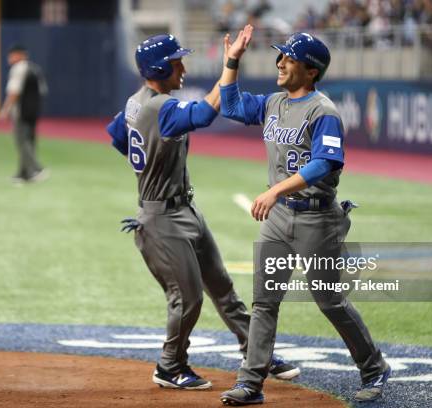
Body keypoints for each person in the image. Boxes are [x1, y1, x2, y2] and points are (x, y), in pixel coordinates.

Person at [106, 31, 299, 390]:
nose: (183, 67)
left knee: (222, 287)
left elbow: (119, 136)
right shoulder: (158, 107)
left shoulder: (136, 103)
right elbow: (207, 111)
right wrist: (231, 63)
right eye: (177, 61)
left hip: (183, 209)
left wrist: (149, 163)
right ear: (160, 67)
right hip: (162, 219)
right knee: (188, 298)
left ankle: (257, 353)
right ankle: (169, 366)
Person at [218, 28, 391, 405]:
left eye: (290, 58)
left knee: (329, 300)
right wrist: (232, 61)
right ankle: (251, 382)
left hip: (318, 221)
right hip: (280, 219)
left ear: (311, 70)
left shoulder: (323, 111)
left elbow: (325, 162)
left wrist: (276, 189)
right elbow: (229, 106)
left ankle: (374, 366)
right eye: (281, 56)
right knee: (264, 302)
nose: (280, 62)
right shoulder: (273, 103)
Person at [0, 44, 48, 183]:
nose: (9, 58)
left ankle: (35, 170)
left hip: (22, 111)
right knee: (29, 140)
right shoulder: (34, 68)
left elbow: (14, 91)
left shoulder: (18, 68)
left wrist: (6, 110)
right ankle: (23, 173)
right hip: (33, 111)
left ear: (20, 55)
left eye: (12, 55)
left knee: (22, 141)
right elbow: (43, 90)